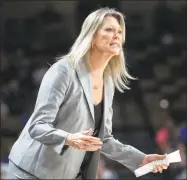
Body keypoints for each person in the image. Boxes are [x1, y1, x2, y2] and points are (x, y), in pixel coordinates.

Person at [8, 7, 169, 179]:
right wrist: (69, 139)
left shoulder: (107, 81)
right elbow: (37, 126)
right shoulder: (63, 71)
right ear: (91, 36)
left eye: (120, 31)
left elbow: (104, 139)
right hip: (30, 172)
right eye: (109, 29)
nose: (117, 35)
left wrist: (141, 159)